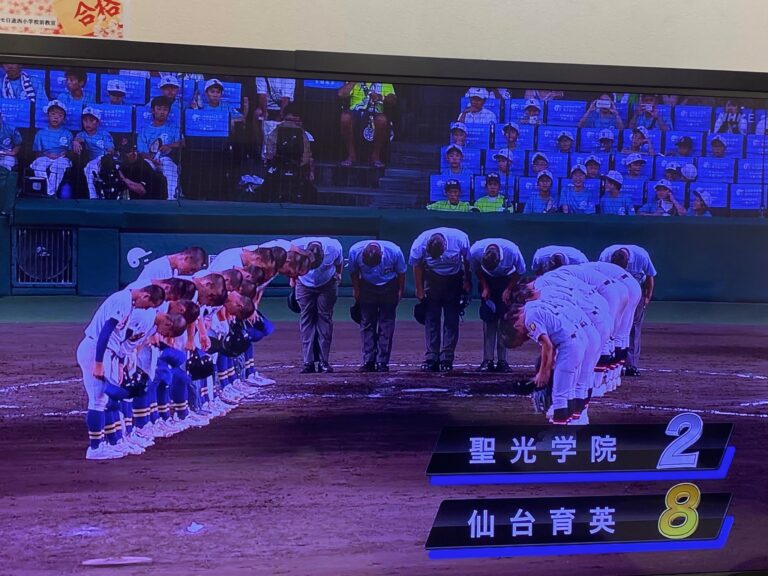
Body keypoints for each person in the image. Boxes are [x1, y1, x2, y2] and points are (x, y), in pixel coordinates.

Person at [76, 284, 166, 459]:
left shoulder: (129, 303)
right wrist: (99, 362)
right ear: (145, 295)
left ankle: (113, 441)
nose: (145, 309)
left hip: (105, 352)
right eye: (147, 305)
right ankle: (95, 448)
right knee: (98, 401)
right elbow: (105, 332)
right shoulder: (122, 301)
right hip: (96, 349)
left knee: (108, 399)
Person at [500, 299, 589, 424]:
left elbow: (547, 345)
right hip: (577, 339)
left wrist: (544, 373)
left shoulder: (530, 320)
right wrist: (545, 370)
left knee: (560, 397)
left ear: (517, 327)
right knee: (569, 392)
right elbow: (547, 347)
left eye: (519, 340)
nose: (524, 341)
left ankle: (559, 435)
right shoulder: (531, 307)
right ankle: (574, 426)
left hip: (569, 346)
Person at [409, 227, 471, 372]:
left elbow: (468, 261)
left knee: (451, 319)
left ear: (445, 246)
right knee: (431, 318)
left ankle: (447, 358)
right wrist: (419, 289)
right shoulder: (420, 243)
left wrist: (467, 280)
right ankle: (432, 357)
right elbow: (416, 265)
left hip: (454, 279)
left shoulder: (460, 238)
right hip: (432, 278)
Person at [348, 240, 407, 372]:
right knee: (367, 323)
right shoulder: (354, 251)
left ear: (381, 256)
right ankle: (368, 360)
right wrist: (356, 290)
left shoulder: (394, 251)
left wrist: (400, 292)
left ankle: (382, 361)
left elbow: (401, 273)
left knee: (386, 324)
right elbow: (354, 272)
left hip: (389, 285)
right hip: (367, 286)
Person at [599, 245, 657, 377]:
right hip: (613, 292)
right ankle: (609, 359)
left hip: (635, 290)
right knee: (610, 324)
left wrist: (647, 297)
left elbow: (650, 276)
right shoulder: (605, 255)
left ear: (628, 262)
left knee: (633, 327)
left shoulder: (641, 256)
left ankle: (631, 365)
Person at [470, 238, 525, 372]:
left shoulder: (513, 252)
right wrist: (485, 287)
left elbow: (520, 272)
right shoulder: (475, 251)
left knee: (504, 320)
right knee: (489, 320)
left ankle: (502, 361)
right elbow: (476, 269)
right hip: (487, 281)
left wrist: (508, 289)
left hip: (506, 281)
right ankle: (487, 360)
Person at [293, 237, 344, 373]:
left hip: (327, 283)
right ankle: (308, 362)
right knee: (306, 319)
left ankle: (323, 361)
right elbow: (290, 265)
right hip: (303, 283)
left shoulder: (334, 247)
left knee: (325, 318)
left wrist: (338, 276)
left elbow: (339, 264)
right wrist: (293, 279)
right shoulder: (296, 247)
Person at [338, 81, 396, 168]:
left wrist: (381, 97)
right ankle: (351, 155)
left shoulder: (384, 80)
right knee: (345, 118)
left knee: (382, 120)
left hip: (375, 111)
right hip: (355, 111)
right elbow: (341, 94)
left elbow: (393, 100)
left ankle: (375, 157)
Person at [137, 96, 183, 200]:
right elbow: (141, 151)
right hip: (148, 160)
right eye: (159, 109)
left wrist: (169, 146)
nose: (162, 112)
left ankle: (173, 199)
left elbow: (182, 142)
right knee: (144, 166)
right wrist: (152, 158)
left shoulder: (173, 128)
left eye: (165, 109)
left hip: (165, 159)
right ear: (153, 110)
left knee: (170, 167)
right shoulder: (144, 131)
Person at [30, 99, 73, 197]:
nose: (56, 117)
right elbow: (37, 153)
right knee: (38, 165)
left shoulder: (67, 133)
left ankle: (48, 193)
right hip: (45, 156)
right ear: (48, 115)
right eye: (53, 114)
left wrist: (64, 154)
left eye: (60, 115)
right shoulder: (40, 133)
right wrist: (47, 155)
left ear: (64, 118)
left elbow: (71, 152)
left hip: (61, 158)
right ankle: (50, 193)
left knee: (58, 166)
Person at [264, 102, 315, 183]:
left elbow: (308, 157)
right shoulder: (273, 133)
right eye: (289, 120)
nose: (291, 124)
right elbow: (269, 153)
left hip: (297, 170)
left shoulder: (308, 137)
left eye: (296, 121)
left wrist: (309, 172)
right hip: (278, 168)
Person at [74, 107, 115, 200]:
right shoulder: (82, 134)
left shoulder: (104, 134)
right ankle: (93, 197)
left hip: (106, 159)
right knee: (89, 168)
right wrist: (75, 142)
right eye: (85, 120)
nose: (87, 123)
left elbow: (111, 150)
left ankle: (93, 196)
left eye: (91, 120)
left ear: (97, 122)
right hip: (92, 161)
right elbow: (77, 140)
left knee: (89, 168)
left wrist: (105, 159)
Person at [135, 247, 208, 284]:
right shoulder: (158, 268)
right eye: (192, 269)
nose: (190, 273)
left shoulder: (174, 270)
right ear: (187, 258)